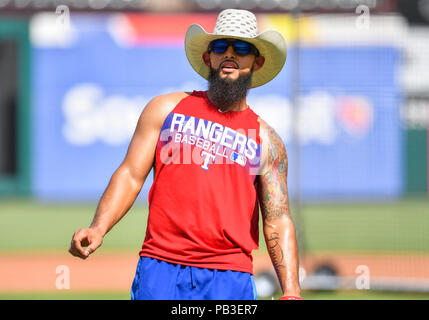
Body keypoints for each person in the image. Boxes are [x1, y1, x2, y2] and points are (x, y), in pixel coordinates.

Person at [69, 8, 302, 300]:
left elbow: (277, 218)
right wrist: (98, 227)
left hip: (229, 276)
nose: (230, 54)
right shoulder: (165, 109)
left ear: (257, 61)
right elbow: (130, 175)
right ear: (208, 58)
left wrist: (291, 290)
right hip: (161, 267)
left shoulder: (267, 141)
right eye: (220, 47)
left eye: (242, 48)